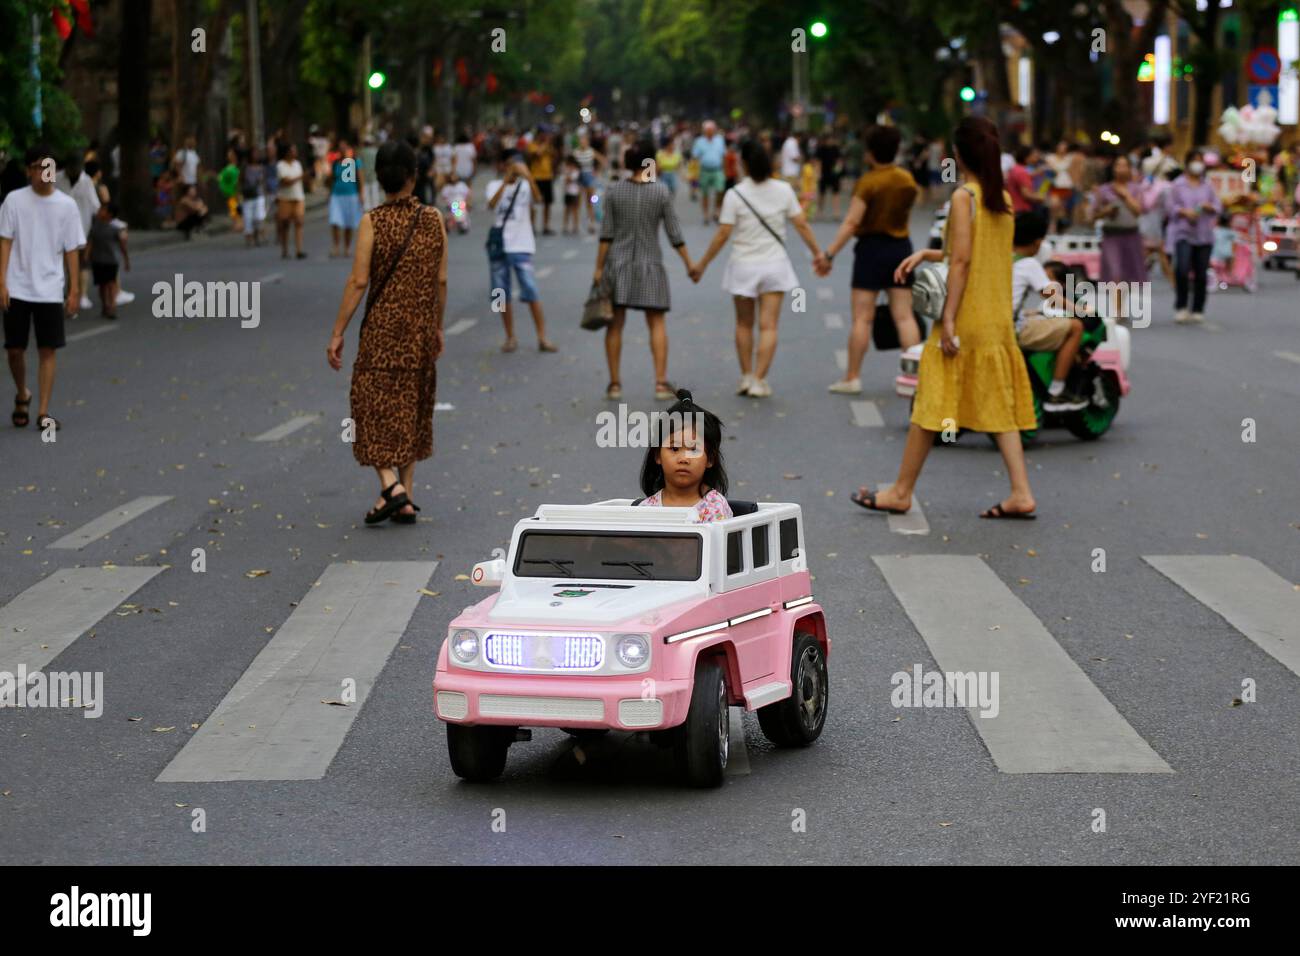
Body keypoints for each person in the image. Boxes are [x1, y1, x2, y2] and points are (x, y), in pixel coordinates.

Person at [852, 117, 1038, 520]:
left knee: (931, 401)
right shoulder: (1001, 200)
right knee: (998, 404)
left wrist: (949, 319)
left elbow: (963, 263)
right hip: (996, 317)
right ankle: (1021, 492)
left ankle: (901, 491)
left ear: (959, 154)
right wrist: (926, 254)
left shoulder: (963, 198)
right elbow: (974, 256)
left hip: (966, 315)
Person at [327, 140, 447, 526]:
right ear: (415, 176)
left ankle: (390, 485)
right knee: (410, 410)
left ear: (380, 178)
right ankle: (404, 496)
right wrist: (436, 326)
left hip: (380, 335)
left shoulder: (372, 222)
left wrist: (337, 331)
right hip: (419, 334)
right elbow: (441, 280)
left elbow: (359, 281)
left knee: (368, 410)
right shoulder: (433, 219)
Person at [690, 140, 823, 398]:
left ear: (744, 164)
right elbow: (802, 225)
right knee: (769, 326)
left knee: (743, 324)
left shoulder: (735, 194)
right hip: (775, 266)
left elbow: (723, 234)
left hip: (743, 267)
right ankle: (760, 380)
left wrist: (702, 264)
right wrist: (819, 254)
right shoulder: (784, 190)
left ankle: (746, 376)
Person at [817, 124, 922, 394]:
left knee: (862, 318)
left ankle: (852, 377)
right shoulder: (906, 179)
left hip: (871, 250)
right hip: (901, 249)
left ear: (870, 152)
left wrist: (828, 254)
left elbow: (852, 222)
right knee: (904, 316)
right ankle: (916, 377)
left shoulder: (869, 182)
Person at [594, 139, 694, 401]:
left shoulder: (614, 192)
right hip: (651, 266)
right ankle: (660, 384)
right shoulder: (661, 192)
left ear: (627, 163)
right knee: (657, 323)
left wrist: (598, 268)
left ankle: (615, 384)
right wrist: (690, 264)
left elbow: (606, 234)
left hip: (618, 265)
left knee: (615, 325)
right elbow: (675, 233)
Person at [1, 143, 85, 432]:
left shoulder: (66, 205)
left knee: (48, 349)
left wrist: (74, 290)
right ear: (29, 171)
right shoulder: (13, 201)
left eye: (49, 167)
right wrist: (1, 281)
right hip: (17, 285)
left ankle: (43, 411)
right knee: (14, 349)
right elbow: (5, 241)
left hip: (50, 287)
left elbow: (72, 249)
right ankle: (23, 392)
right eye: (39, 166)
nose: (44, 172)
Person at [1010, 213, 1086, 411]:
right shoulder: (1028, 264)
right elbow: (1052, 297)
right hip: (1012, 330)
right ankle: (1057, 391)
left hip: (992, 322)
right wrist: (1081, 310)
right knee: (1076, 327)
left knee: (1032, 315)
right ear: (1037, 243)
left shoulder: (997, 257)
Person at [486, 151, 556, 353]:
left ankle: (542, 337)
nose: (513, 169)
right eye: (509, 165)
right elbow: (491, 205)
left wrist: (529, 177)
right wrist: (505, 182)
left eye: (516, 165)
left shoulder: (526, 186)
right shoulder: (493, 185)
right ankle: (509, 336)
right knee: (499, 293)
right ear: (502, 166)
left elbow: (539, 200)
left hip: (522, 244)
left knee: (531, 290)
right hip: (499, 245)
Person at [634, 388, 732, 523]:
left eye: (693, 449)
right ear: (658, 455)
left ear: (710, 459)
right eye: (674, 448)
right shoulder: (646, 509)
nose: (683, 459)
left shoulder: (714, 507)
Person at [1162, 149, 1221, 324]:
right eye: (1194, 160)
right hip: (1183, 233)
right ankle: (1181, 306)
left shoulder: (1208, 186)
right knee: (1182, 269)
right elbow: (1169, 207)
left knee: (1201, 274)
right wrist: (1183, 211)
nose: (1197, 164)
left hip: (1204, 234)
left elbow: (1218, 206)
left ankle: (1198, 308)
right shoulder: (1177, 185)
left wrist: (1209, 207)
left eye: (1200, 160)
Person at [1092, 154, 1147, 287]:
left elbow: (1138, 211)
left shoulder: (1136, 189)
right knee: (1115, 273)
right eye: (1118, 165)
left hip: (1131, 235)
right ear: (1113, 168)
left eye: (1124, 166)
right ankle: (1117, 308)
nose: (1121, 169)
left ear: (1129, 169)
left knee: (1128, 276)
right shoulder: (1104, 189)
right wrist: (1107, 211)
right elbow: (1094, 214)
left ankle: (1121, 305)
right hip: (1112, 235)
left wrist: (1125, 195)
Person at [86, 202, 129, 320]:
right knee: (101, 285)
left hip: (111, 261)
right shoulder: (94, 228)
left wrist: (126, 261)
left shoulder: (115, 229)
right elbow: (90, 243)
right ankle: (105, 305)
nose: (99, 211)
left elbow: (122, 246)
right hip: (97, 260)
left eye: (102, 210)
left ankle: (112, 306)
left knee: (111, 284)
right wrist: (86, 257)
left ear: (110, 214)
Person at [328, 137, 365, 258]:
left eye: (345, 147)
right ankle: (336, 246)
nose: (343, 150)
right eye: (341, 147)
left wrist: (361, 193)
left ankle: (347, 247)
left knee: (349, 223)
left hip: (351, 195)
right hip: (336, 195)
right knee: (335, 221)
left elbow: (360, 178)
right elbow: (331, 179)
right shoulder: (335, 163)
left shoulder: (355, 161)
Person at [692, 120, 727, 224]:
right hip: (704, 170)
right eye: (708, 130)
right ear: (704, 131)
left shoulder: (719, 140)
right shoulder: (699, 141)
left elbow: (723, 155)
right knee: (705, 193)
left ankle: (717, 211)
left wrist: (725, 169)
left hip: (717, 169)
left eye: (712, 130)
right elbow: (695, 157)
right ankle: (706, 214)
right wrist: (694, 174)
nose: (710, 132)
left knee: (720, 190)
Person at [276, 143, 307, 259]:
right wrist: (301, 176)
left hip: (298, 197)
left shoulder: (297, 164)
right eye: (293, 150)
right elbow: (286, 181)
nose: (295, 152)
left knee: (299, 222)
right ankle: (285, 250)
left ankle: (299, 249)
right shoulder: (280, 165)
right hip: (285, 198)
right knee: (285, 224)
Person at [572, 133, 605, 233]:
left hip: (589, 176)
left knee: (589, 202)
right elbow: (570, 163)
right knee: (576, 202)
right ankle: (575, 225)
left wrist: (597, 172)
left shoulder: (591, 151)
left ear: (587, 141)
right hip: (579, 177)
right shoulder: (575, 152)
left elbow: (603, 160)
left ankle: (591, 224)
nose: (582, 142)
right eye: (581, 140)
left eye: (584, 140)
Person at [526, 130, 556, 235]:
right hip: (536, 177)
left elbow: (554, 156)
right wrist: (545, 144)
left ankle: (546, 226)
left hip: (547, 177)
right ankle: (532, 225)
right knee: (534, 203)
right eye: (544, 134)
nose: (546, 136)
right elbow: (537, 154)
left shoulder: (549, 145)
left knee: (547, 203)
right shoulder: (532, 145)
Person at [240, 147, 267, 246]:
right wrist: (239, 193)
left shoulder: (261, 167)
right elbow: (240, 180)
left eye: (257, 153)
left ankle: (257, 237)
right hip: (248, 195)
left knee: (258, 217)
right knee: (248, 218)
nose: (256, 155)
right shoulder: (245, 167)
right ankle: (249, 239)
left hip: (258, 194)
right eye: (254, 153)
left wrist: (264, 191)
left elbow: (263, 181)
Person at [1007, 145, 1041, 214]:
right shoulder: (1022, 172)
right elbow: (1026, 195)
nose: (1036, 158)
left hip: (1015, 209)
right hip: (1022, 210)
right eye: (1033, 155)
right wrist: (1041, 198)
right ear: (1026, 157)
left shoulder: (1015, 168)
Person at [816, 133, 843, 220]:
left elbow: (839, 161)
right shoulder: (821, 149)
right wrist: (818, 173)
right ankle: (820, 212)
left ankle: (836, 212)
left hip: (834, 175)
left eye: (832, 139)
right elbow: (818, 162)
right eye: (829, 139)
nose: (831, 141)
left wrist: (837, 172)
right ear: (825, 140)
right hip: (823, 174)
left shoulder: (836, 149)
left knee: (836, 193)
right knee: (821, 194)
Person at [439, 169, 471, 234]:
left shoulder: (462, 185)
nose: (453, 178)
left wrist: (468, 203)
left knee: (460, 206)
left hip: (461, 203)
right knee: (456, 206)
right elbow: (444, 198)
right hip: (452, 205)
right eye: (452, 176)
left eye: (455, 176)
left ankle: (462, 224)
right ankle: (459, 223)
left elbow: (468, 195)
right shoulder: (447, 187)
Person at [218, 148, 242, 231]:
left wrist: (238, 191)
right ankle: (237, 224)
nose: (229, 156)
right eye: (228, 154)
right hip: (229, 191)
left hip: (235, 191)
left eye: (231, 154)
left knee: (236, 208)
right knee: (233, 209)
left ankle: (239, 225)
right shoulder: (229, 167)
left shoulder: (235, 168)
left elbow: (237, 181)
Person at [561, 155, 581, 235]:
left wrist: (568, 175)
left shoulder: (576, 171)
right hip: (567, 192)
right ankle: (565, 226)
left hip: (574, 192)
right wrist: (567, 174)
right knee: (567, 209)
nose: (570, 166)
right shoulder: (566, 170)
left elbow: (569, 179)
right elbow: (564, 180)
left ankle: (575, 226)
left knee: (574, 209)